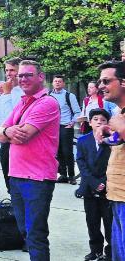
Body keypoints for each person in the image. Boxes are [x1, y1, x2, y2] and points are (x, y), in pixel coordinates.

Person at [0, 60, 60, 260]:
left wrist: (6, 131)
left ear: (40, 77)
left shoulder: (47, 102)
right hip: (17, 175)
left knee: (35, 234)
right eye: (20, 75)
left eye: (28, 75)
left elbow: (24, 135)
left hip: (37, 178)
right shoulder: (22, 102)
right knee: (25, 232)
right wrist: (6, 130)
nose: (22, 79)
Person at [93, 60, 125, 260]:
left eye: (106, 81)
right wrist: (108, 133)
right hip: (116, 195)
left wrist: (119, 127)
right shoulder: (118, 113)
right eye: (99, 81)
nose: (100, 86)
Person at [76, 109, 112, 261]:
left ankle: (110, 252)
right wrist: (93, 182)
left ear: (107, 124)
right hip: (89, 188)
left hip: (107, 188)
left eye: (103, 120)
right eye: (95, 119)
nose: (99, 122)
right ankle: (95, 250)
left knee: (109, 222)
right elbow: (81, 163)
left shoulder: (112, 140)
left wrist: (103, 183)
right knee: (92, 222)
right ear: (89, 122)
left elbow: (113, 164)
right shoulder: (83, 140)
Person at [0, 57, 25, 194]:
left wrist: (7, 94)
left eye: (12, 70)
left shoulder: (23, 92)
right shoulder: (7, 91)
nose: (9, 74)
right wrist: (6, 94)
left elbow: (15, 117)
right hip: (6, 138)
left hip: (20, 139)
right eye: (7, 70)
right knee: (7, 172)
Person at [50, 75, 81, 185]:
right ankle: (63, 174)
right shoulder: (48, 96)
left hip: (65, 127)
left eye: (59, 81)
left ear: (63, 84)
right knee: (57, 152)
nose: (57, 83)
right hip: (52, 128)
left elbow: (77, 111)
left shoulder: (69, 96)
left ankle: (71, 176)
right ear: (52, 83)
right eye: (55, 81)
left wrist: (72, 122)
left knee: (67, 152)